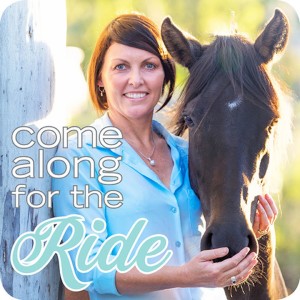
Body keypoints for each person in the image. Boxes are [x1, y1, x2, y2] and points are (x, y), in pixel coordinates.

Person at [52, 13, 278, 300]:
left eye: (149, 65)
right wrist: (185, 275)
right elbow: (85, 271)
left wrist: (253, 231)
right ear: (100, 78)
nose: (136, 80)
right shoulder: (79, 157)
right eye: (121, 67)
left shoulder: (186, 154)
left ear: (165, 75)